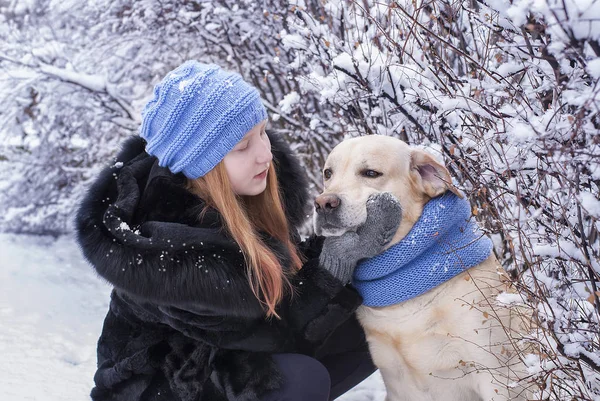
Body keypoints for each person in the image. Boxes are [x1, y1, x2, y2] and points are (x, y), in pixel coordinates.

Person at [75, 61, 401, 401]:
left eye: (262, 132)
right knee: (298, 379)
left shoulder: (235, 193)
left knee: (369, 329)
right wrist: (335, 261)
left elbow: (282, 283)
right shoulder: (165, 244)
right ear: (203, 164)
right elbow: (268, 330)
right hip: (157, 386)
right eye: (242, 146)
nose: (264, 154)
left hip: (215, 354)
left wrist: (342, 238)